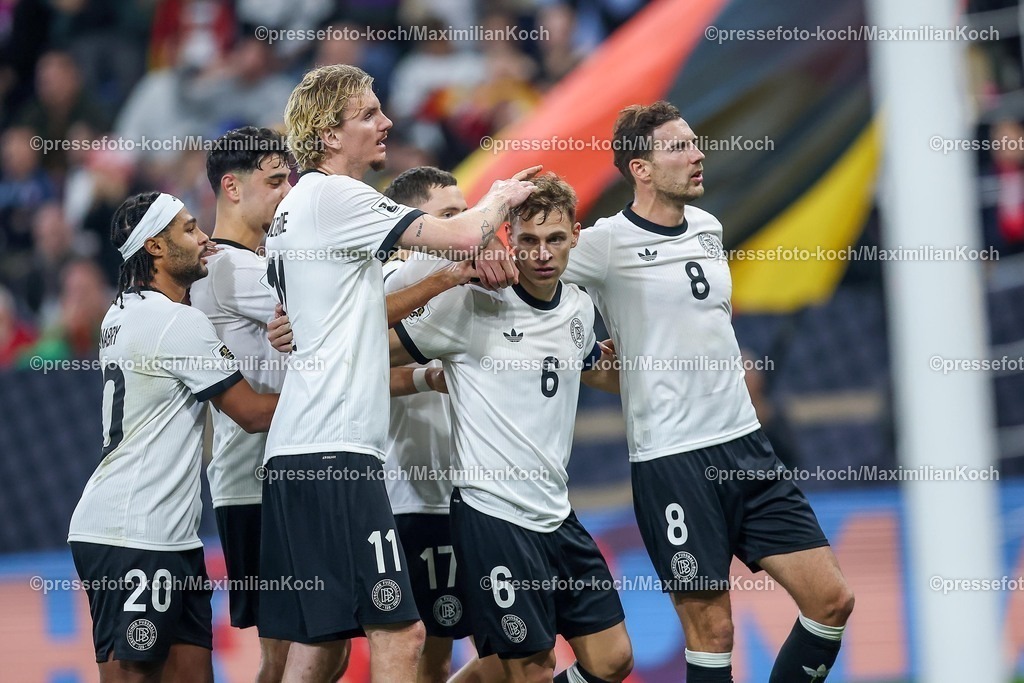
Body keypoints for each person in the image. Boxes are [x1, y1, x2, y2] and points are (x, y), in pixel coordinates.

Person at [258, 63, 536, 683]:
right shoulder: (337, 194)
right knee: (402, 632)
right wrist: (503, 196)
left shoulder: (293, 209)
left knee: (323, 647)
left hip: (302, 451)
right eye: (367, 115)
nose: (386, 122)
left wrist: (447, 276)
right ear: (329, 134)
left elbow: (346, 314)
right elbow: (463, 232)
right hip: (335, 451)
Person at [560, 101, 855, 682]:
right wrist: (583, 357)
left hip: (748, 447)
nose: (698, 155)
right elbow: (530, 280)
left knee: (832, 601)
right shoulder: (602, 244)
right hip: (674, 461)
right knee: (713, 631)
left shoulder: (708, 228)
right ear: (640, 169)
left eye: (696, 143)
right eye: (679, 147)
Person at [390, 173, 634, 683]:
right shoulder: (472, 304)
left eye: (555, 239)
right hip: (492, 515)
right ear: (509, 241)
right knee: (530, 669)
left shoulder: (579, 308)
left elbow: (587, 367)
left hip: (556, 512)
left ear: (576, 237)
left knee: (613, 660)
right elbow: (374, 350)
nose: (542, 253)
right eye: (528, 240)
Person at [67, 191, 280, 683]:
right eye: (188, 229)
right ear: (155, 248)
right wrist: (336, 384)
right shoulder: (176, 323)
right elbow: (250, 412)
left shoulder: (122, 314)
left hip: (169, 536)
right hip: (134, 534)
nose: (204, 237)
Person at [188, 126, 300, 683]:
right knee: (286, 658)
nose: (288, 192)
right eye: (275, 181)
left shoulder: (248, 263)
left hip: (273, 471)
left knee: (307, 651)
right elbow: (348, 310)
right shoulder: (229, 268)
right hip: (256, 479)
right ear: (231, 187)